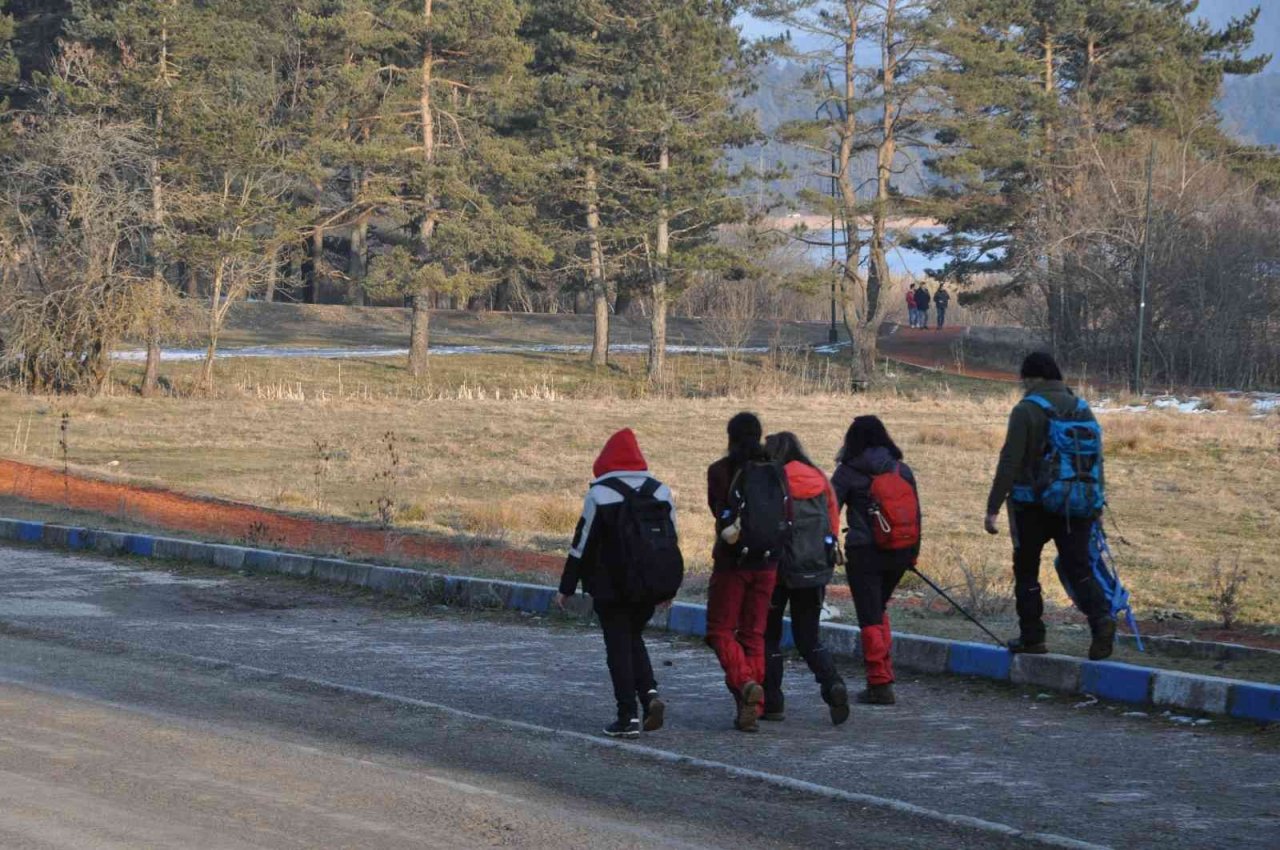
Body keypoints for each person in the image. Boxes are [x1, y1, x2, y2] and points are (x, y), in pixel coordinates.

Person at [984, 352, 1116, 660]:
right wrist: (1096, 504)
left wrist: (993, 507)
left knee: (1027, 569)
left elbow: (1010, 461)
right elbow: (1096, 460)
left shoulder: (1026, 410)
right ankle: (1101, 620)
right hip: (1076, 505)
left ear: (1031, 378)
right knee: (1079, 566)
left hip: (1030, 505)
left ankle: (1033, 637)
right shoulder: (1082, 408)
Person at [557, 428, 681, 739]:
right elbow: (671, 542)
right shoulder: (660, 491)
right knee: (632, 638)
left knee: (618, 648)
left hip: (610, 585)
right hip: (650, 583)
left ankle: (628, 717)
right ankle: (649, 695)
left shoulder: (599, 493)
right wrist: (669, 588)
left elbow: (581, 544)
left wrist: (566, 587)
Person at [761, 431, 849, 726]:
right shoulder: (819, 478)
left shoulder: (773, 478)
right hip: (814, 569)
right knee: (808, 636)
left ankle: (772, 702)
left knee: (768, 637)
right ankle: (832, 683)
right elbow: (833, 523)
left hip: (777, 570)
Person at [832, 416, 921, 706]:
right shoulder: (901, 469)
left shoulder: (847, 473)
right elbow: (916, 515)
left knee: (869, 616)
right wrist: (913, 555)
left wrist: (828, 547)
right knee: (878, 609)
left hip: (864, 552)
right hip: (900, 552)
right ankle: (883, 675)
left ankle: (879, 683)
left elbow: (829, 511)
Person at [706, 412, 781, 733]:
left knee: (720, 631)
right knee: (753, 634)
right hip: (768, 563)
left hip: (732, 563)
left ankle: (745, 682)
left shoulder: (719, 471)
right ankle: (752, 706)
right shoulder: (776, 471)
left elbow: (717, 512)